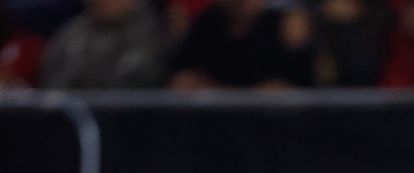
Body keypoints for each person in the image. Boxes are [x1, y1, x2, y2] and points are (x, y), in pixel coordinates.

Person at [168, 0, 313, 89]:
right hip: (213, 127)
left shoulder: (281, 25)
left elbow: (295, 89)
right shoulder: (207, 23)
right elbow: (178, 78)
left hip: (273, 127)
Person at [39, 0, 164, 88]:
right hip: (69, 115)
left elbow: (136, 76)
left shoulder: (147, 29)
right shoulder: (74, 31)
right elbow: (51, 76)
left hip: (125, 117)